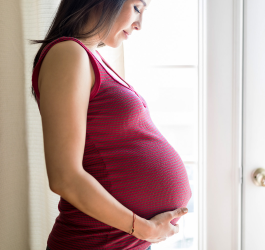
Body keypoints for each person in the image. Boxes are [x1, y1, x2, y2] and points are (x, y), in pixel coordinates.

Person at [30, 0, 192, 249]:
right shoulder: (68, 53)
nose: (139, 25)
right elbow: (64, 177)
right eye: (137, 8)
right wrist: (144, 228)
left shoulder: (90, 56)